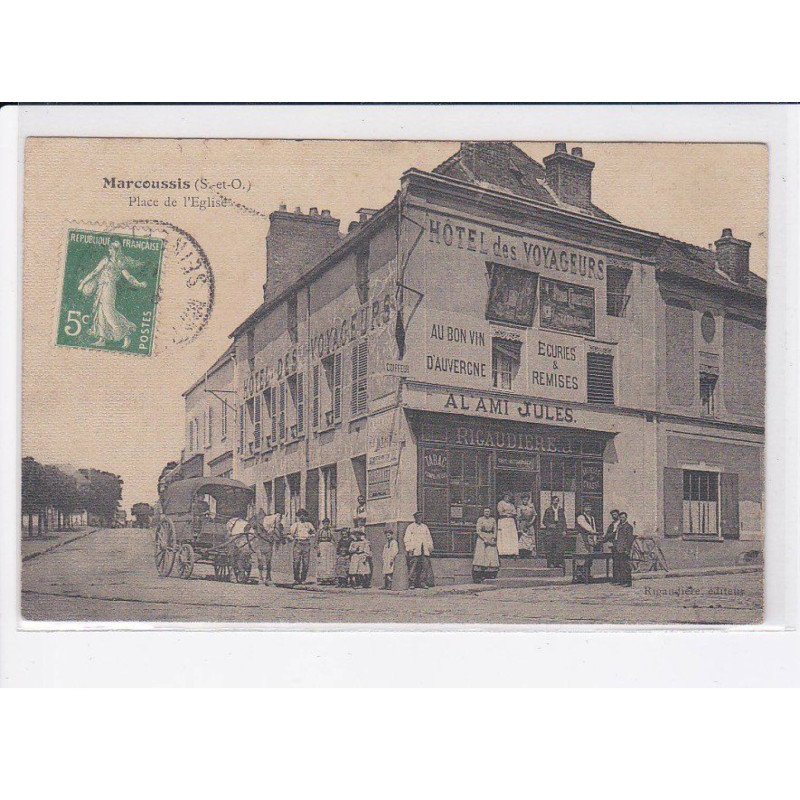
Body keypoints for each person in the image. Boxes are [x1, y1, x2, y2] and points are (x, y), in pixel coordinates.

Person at [77, 240, 148, 349]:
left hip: (109, 289)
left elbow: (128, 277)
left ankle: (126, 333)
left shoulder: (119, 263)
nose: (109, 250)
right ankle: (102, 339)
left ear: (114, 251)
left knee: (108, 311)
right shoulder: (107, 260)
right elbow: (95, 272)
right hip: (101, 288)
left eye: (110, 248)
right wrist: (83, 283)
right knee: (100, 311)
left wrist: (138, 284)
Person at [249, 508, 282, 586]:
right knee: (260, 559)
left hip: (267, 539)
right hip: (259, 542)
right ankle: (261, 578)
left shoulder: (270, 530)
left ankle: (268, 577)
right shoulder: (257, 528)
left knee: (268, 561)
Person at [404, 511, 434, 589]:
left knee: (424, 566)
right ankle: (412, 583)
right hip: (415, 549)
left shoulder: (424, 527)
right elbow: (407, 538)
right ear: (415, 518)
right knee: (413, 566)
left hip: (424, 549)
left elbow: (429, 538)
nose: (419, 519)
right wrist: (409, 548)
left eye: (420, 517)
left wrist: (430, 547)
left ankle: (422, 582)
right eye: (418, 517)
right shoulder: (411, 527)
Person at [605, 511, 635, 587]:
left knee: (625, 566)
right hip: (617, 547)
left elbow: (629, 540)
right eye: (621, 517)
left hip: (623, 549)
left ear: (626, 518)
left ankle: (628, 582)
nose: (622, 519)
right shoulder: (619, 526)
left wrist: (627, 549)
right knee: (619, 565)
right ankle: (621, 581)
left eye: (623, 517)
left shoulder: (628, 527)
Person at [472, 507, 500, 583]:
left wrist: (493, 538)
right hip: (482, 538)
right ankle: (479, 575)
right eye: (485, 511)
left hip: (490, 537)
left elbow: (495, 530)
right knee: (481, 555)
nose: (487, 513)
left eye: (488, 511)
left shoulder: (492, 520)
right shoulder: (480, 519)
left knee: (490, 555)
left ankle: (490, 574)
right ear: (483, 512)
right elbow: (478, 530)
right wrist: (484, 539)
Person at [289, 509, 315, 585]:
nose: (302, 516)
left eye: (303, 515)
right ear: (298, 516)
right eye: (300, 515)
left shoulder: (309, 524)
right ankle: (296, 579)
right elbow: (290, 535)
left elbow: (314, 533)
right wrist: (292, 537)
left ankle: (303, 579)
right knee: (296, 562)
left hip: (306, 544)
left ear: (306, 516)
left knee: (306, 562)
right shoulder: (295, 525)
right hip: (298, 544)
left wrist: (310, 536)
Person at [542, 494, 567, 570]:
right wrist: (550, 525)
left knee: (559, 548)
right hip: (550, 531)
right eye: (554, 501)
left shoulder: (560, 510)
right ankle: (550, 563)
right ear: (552, 501)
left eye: (557, 501)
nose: (556, 502)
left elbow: (564, 521)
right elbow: (544, 521)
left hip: (559, 530)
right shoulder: (548, 510)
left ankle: (558, 563)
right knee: (550, 548)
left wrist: (564, 530)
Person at [496, 493, 520, 558]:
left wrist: (509, 514)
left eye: (509, 497)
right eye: (506, 496)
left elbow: (514, 513)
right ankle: (503, 552)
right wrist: (507, 514)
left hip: (511, 522)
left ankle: (512, 552)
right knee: (504, 536)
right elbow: (500, 512)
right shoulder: (500, 503)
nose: (507, 498)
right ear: (503, 497)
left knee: (511, 536)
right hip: (503, 521)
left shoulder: (511, 504)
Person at [316, 517, 336, 585]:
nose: (326, 525)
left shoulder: (330, 531)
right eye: (325, 524)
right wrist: (317, 548)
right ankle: (322, 578)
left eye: (327, 524)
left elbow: (334, 539)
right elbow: (317, 540)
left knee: (329, 562)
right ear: (323, 524)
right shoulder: (320, 531)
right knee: (322, 561)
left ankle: (330, 578)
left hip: (329, 546)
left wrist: (334, 546)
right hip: (322, 545)